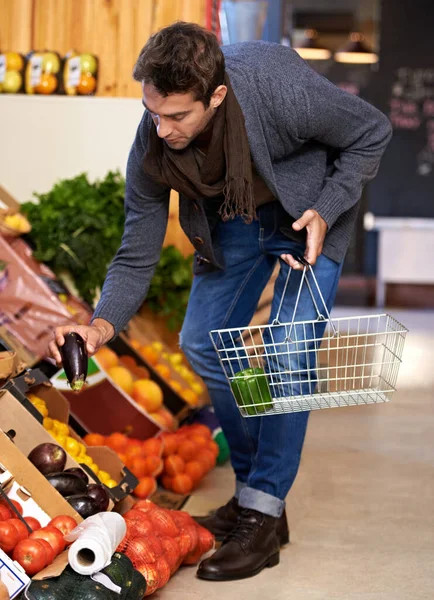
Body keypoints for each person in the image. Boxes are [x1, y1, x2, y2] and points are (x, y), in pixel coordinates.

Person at [50, 22, 392, 581]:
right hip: (237, 215)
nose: (161, 130)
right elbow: (137, 247)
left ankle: (261, 511)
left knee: (286, 351)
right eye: (153, 113)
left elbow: (372, 131)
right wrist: (101, 326)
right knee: (204, 344)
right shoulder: (154, 138)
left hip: (310, 212)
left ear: (216, 96)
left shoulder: (276, 85)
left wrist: (328, 207)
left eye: (177, 116)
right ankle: (262, 492)